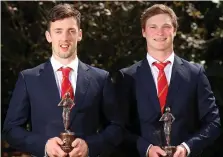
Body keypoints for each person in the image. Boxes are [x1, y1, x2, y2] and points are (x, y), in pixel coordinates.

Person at [3, 3, 124, 157]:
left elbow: (117, 128)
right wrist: (44, 146)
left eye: (71, 31)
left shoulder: (100, 78)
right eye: (58, 31)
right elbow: (11, 130)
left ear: (79, 34)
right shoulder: (28, 79)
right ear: (49, 36)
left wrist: (90, 146)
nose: (65, 38)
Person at [115, 4, 221, 157]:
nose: (160, 32)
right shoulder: (127, 77)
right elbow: (117, 128)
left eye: (166, 26)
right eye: (153, 27)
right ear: (144, 32)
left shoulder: (195, 74)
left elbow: (213, 122)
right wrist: (146, 148)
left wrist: (187, 147)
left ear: (174, 31)